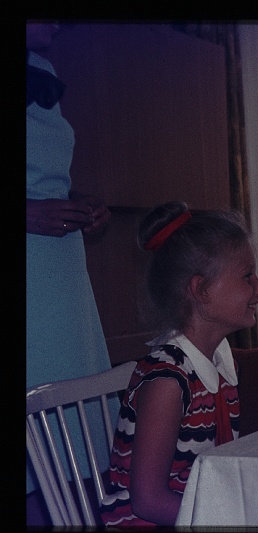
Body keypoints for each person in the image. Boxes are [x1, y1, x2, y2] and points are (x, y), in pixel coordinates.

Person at [99, 201, 258, 526]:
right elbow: (148, 501)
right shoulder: (167, 379)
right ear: (201, 289)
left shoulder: (220, 364)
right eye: (247, 276)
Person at [26, 22, 117, 525]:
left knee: (75, 429)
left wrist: (79, 202)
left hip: (60, 272)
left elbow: (42, 176)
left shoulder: (40, 68)